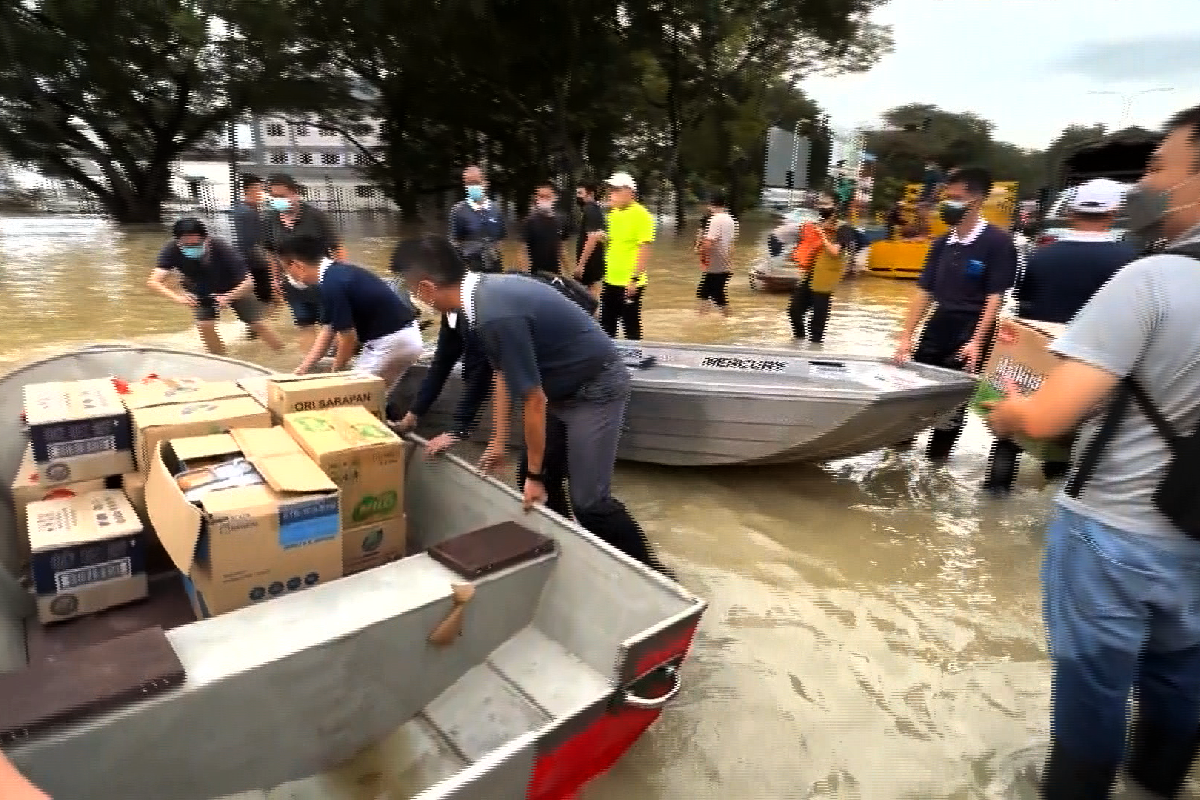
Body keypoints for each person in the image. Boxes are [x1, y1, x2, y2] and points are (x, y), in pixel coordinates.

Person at [982, 103, 1200, 800]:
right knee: (1182, 676)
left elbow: (1048, 414)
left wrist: (1003, 407)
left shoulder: (1153, 281)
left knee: (1093, 689)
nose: (1148, 182)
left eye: (1160, 166)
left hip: (1117, 532)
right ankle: (1156, 785)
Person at [392, 234, 673, 578]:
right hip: (557, 388)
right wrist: (497, 442)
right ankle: (571, 547)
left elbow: (533, 400)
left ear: (425, 288)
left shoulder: (493, 312)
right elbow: (501, 372)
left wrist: (536, 476)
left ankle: (653, 573)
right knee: (533, 477)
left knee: (590, 502)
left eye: (409, 288)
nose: (413, 298)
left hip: (594, 388)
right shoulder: (476, 302)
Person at [983, 178, 1139, 492]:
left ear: (1069, 213)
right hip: (1088, 367)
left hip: (1033, 358)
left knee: (1009, 436)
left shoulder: (1039, 256)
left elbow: (1022, 304)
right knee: (1071, 442)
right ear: (1114, 212)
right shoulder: (1130, 261)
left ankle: (994, 498)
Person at [892, 166, 1018, 460]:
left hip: (972, 327)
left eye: (955, 197)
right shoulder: (940, 244)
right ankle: (897, 454)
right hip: (940, 321)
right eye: (946, 197)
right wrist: (906, 335)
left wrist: (976, 340)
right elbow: (924, 291)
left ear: (975, 201)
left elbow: (995, 297)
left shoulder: (997, 243)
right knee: (914, 389)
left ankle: (936, 464)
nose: (946, 204)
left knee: (953, 403)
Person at [279, 235, 423, 395]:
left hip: (391, 343)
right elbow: (328, 331)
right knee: (375, 397)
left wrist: (337, 371)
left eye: (286, 270)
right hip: (405, 337)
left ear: (298, 266)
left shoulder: (332, 284)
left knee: (348, 396)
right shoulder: (336, 274)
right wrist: (304, 368)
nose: (287, 276)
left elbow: (348, 339)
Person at [147, 217, 283, 355]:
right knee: (204, 325)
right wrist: (178, 297)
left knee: (257, 324)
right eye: (186, 245)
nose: (191, 248)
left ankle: (281, 353)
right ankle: (222, 360)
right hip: (202, 290)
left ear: (206, 239)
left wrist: (228, 297)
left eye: (195, 244)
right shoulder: (171, 249)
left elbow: (249, 283)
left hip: (235, 287)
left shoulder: (221, 247)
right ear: (178, 242)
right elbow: (154, 281)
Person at [264, 173, 346, 347]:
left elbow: (337, 247)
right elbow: (272, 253)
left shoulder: (316, 216)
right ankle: (310, 368)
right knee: (304, 324)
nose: (277, 200)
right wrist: (275, 279)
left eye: (281, 196)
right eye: (273, 196)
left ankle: (339, 365)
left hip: (322, 280)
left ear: (294, 193)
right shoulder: (270, 219)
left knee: (331, 326)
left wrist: (342, 278)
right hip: (293, 283)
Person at [787, 198, 856, 344]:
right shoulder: (814, 225)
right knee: (794, 310)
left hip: (825, 276)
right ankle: (798, 341)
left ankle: (815, 348)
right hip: (809, 273)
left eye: (827, 205)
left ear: (836, 208)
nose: (823, 208)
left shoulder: (843, 228)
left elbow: (835, 252)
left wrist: (822, 235)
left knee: (817, 318)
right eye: (821, 205)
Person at [598, 171, 652, 340]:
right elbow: (614, 244)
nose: (610, 194)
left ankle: (636, 359)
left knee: (630, 324)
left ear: (629, 192)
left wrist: (634, 280)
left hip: (629, 283)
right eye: (610, 190)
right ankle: (609, 360)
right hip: (610, 279)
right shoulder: (612, 214)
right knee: (606, 323)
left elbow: (644, 249)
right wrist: (603, 239)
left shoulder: (642, 216)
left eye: (615, 190)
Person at [231, 174, 278, 309]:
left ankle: (258, 325)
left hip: (250, 260)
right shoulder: (246, 212)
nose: (263, 192)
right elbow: (250, 241)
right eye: (260, 189)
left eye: (263, 189)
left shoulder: (245, 209)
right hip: (254, 262)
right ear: (251, 190)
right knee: (268, 299)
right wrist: (268, 263)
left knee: (270, 298)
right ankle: (258, 326)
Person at [449, 165, 506, 273]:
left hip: (494, 264)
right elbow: (456, 242)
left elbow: (500, 238)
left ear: (485, 183)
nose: (473, 186)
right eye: (469, 183)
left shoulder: (495, 209)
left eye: (476, 182)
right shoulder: (458, 211)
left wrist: (492, 252)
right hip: (472, 266)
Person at [696, 192, 738, 316]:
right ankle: (702, 317)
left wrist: (700, 253)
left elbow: (709, 242)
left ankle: (729, 319)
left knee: (716, 294)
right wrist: (730, 261)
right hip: (723, 263)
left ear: (710, 204)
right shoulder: (730, 219)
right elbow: (731, 244)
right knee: (705, 292)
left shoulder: (715, 219)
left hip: (716, 265)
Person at [520, 181, 570, 275]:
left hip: (556, 274)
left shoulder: (561, 220)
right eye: (541, 196)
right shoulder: (529, 221)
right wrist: (525, 276)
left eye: (548, 196)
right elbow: (523, 252)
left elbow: (562, 250)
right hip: (535, 275)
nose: (544, 199)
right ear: (536, 198)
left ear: (554, 198)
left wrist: (569, 273)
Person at [573, 181, 607, 303]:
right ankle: (598, 317)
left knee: (584, 293)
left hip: (590, 260)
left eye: (580, 193)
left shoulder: (590, 210)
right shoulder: (596, 209)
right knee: (591, 290)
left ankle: (596, 318)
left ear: (590, 194)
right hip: (594, 258)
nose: (578, 196)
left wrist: (581, 265)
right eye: (577, 193)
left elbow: (592, 238)